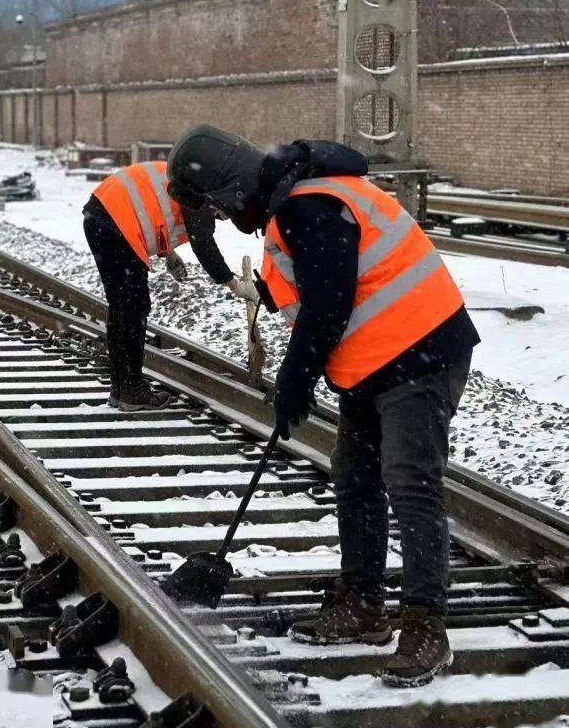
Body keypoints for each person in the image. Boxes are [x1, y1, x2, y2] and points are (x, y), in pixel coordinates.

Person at [167, 125, 480, 688]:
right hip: (371, 359)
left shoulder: (311, 205)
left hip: (424, 349)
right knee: (355, 478)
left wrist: (294, 380)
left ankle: (425, 626)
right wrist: (297, 367)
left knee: (410, 483)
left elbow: (330, 303)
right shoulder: (292, 204)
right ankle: (362, 605)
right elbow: (309, 293)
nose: (219, 215)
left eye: (215, 204)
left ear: (232, 187)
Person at [83, 159, 258, 411]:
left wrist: (169, 254)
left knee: (123, 309)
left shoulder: (194, 175)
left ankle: (122, 389)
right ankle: (131, 390)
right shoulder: (203, 194)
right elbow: (203, 245)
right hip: (115, 221)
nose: (218, 219)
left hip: (101, 214)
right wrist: (235, 285)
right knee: (133, 309)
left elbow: (155, 208)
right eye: (221, 215)